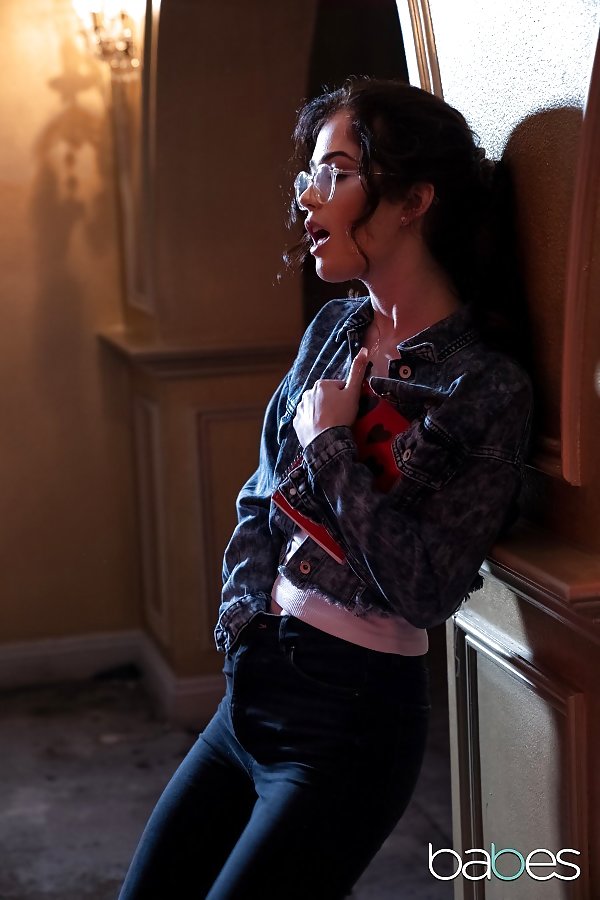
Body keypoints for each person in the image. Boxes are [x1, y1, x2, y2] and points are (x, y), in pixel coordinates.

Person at [118, 78, 533, 899]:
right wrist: (243, 619)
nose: (307, 197)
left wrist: (333, 446)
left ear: (413, 200)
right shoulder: (333, 329)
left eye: (336, 173)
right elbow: (260, 493)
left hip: (351, 725)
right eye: (310, 175)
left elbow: (425, 590)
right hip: (253, 687)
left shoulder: (484, 388)